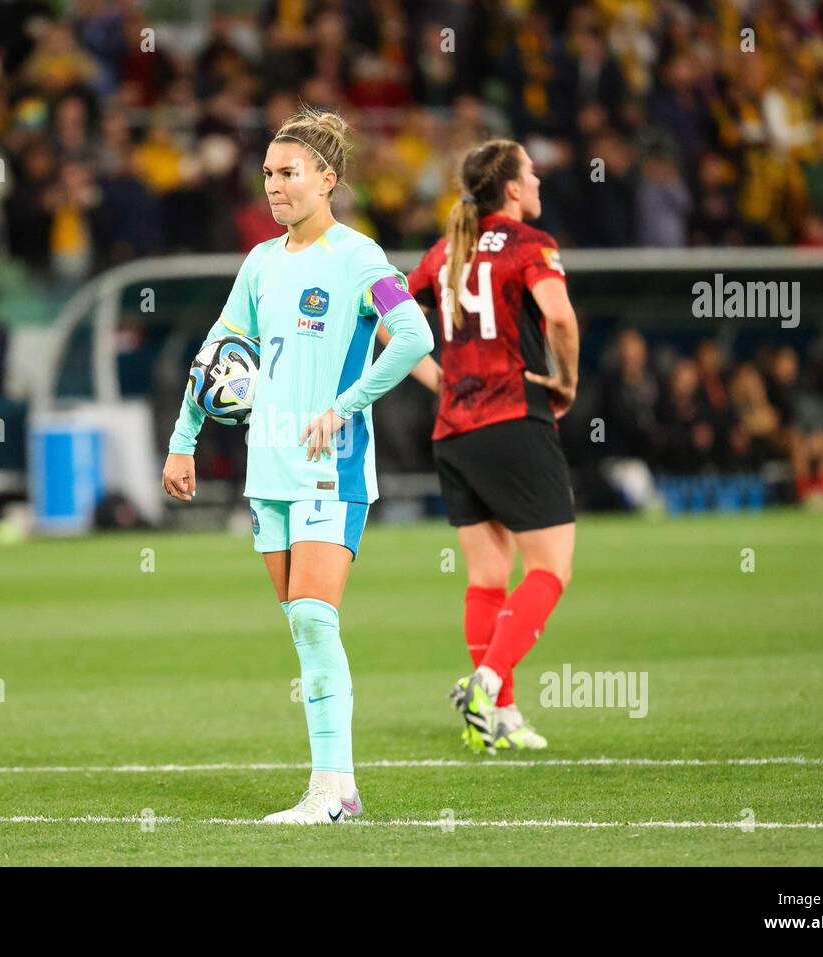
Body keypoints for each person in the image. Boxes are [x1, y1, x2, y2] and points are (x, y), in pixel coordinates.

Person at [161, 107, 433, 823]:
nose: (274, 186)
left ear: (328, 179)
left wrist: (346, 405)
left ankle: (332, 790)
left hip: (330, 465)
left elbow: (412, 334)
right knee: (302, 626)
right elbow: (218, 351)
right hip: (268, 467)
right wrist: (183, 437)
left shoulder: (360, 258)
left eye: (288, 174)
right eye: (267, 175)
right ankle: (335, 790)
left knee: (315, 618)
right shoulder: (259, 263)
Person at [393, 139, 580, 753]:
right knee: (549, 567)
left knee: (487, 575)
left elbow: (384, 305)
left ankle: (497, 719)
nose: (539, 183)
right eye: (532, 173)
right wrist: (567, 382)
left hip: (453, 430)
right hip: (512, 418)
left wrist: (438, 378)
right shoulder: (532, 244)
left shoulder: (448, 249)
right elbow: (559, 317)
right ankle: (489, 679)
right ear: (514, 188)